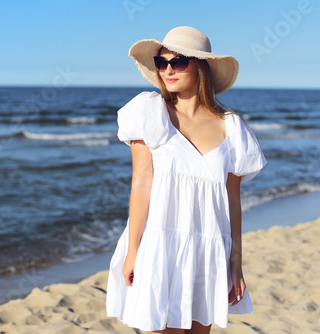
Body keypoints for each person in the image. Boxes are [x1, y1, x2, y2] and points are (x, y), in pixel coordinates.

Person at [106, 26, 267, 333]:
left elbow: (233, 201)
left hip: (208, 248)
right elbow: (140, 185)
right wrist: (132, 252)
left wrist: (236, 264)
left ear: (200, 67)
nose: (168, 69)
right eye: (161, 62)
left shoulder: (232, 128)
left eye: (178, 62)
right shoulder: (150, 113)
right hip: (159, 244)